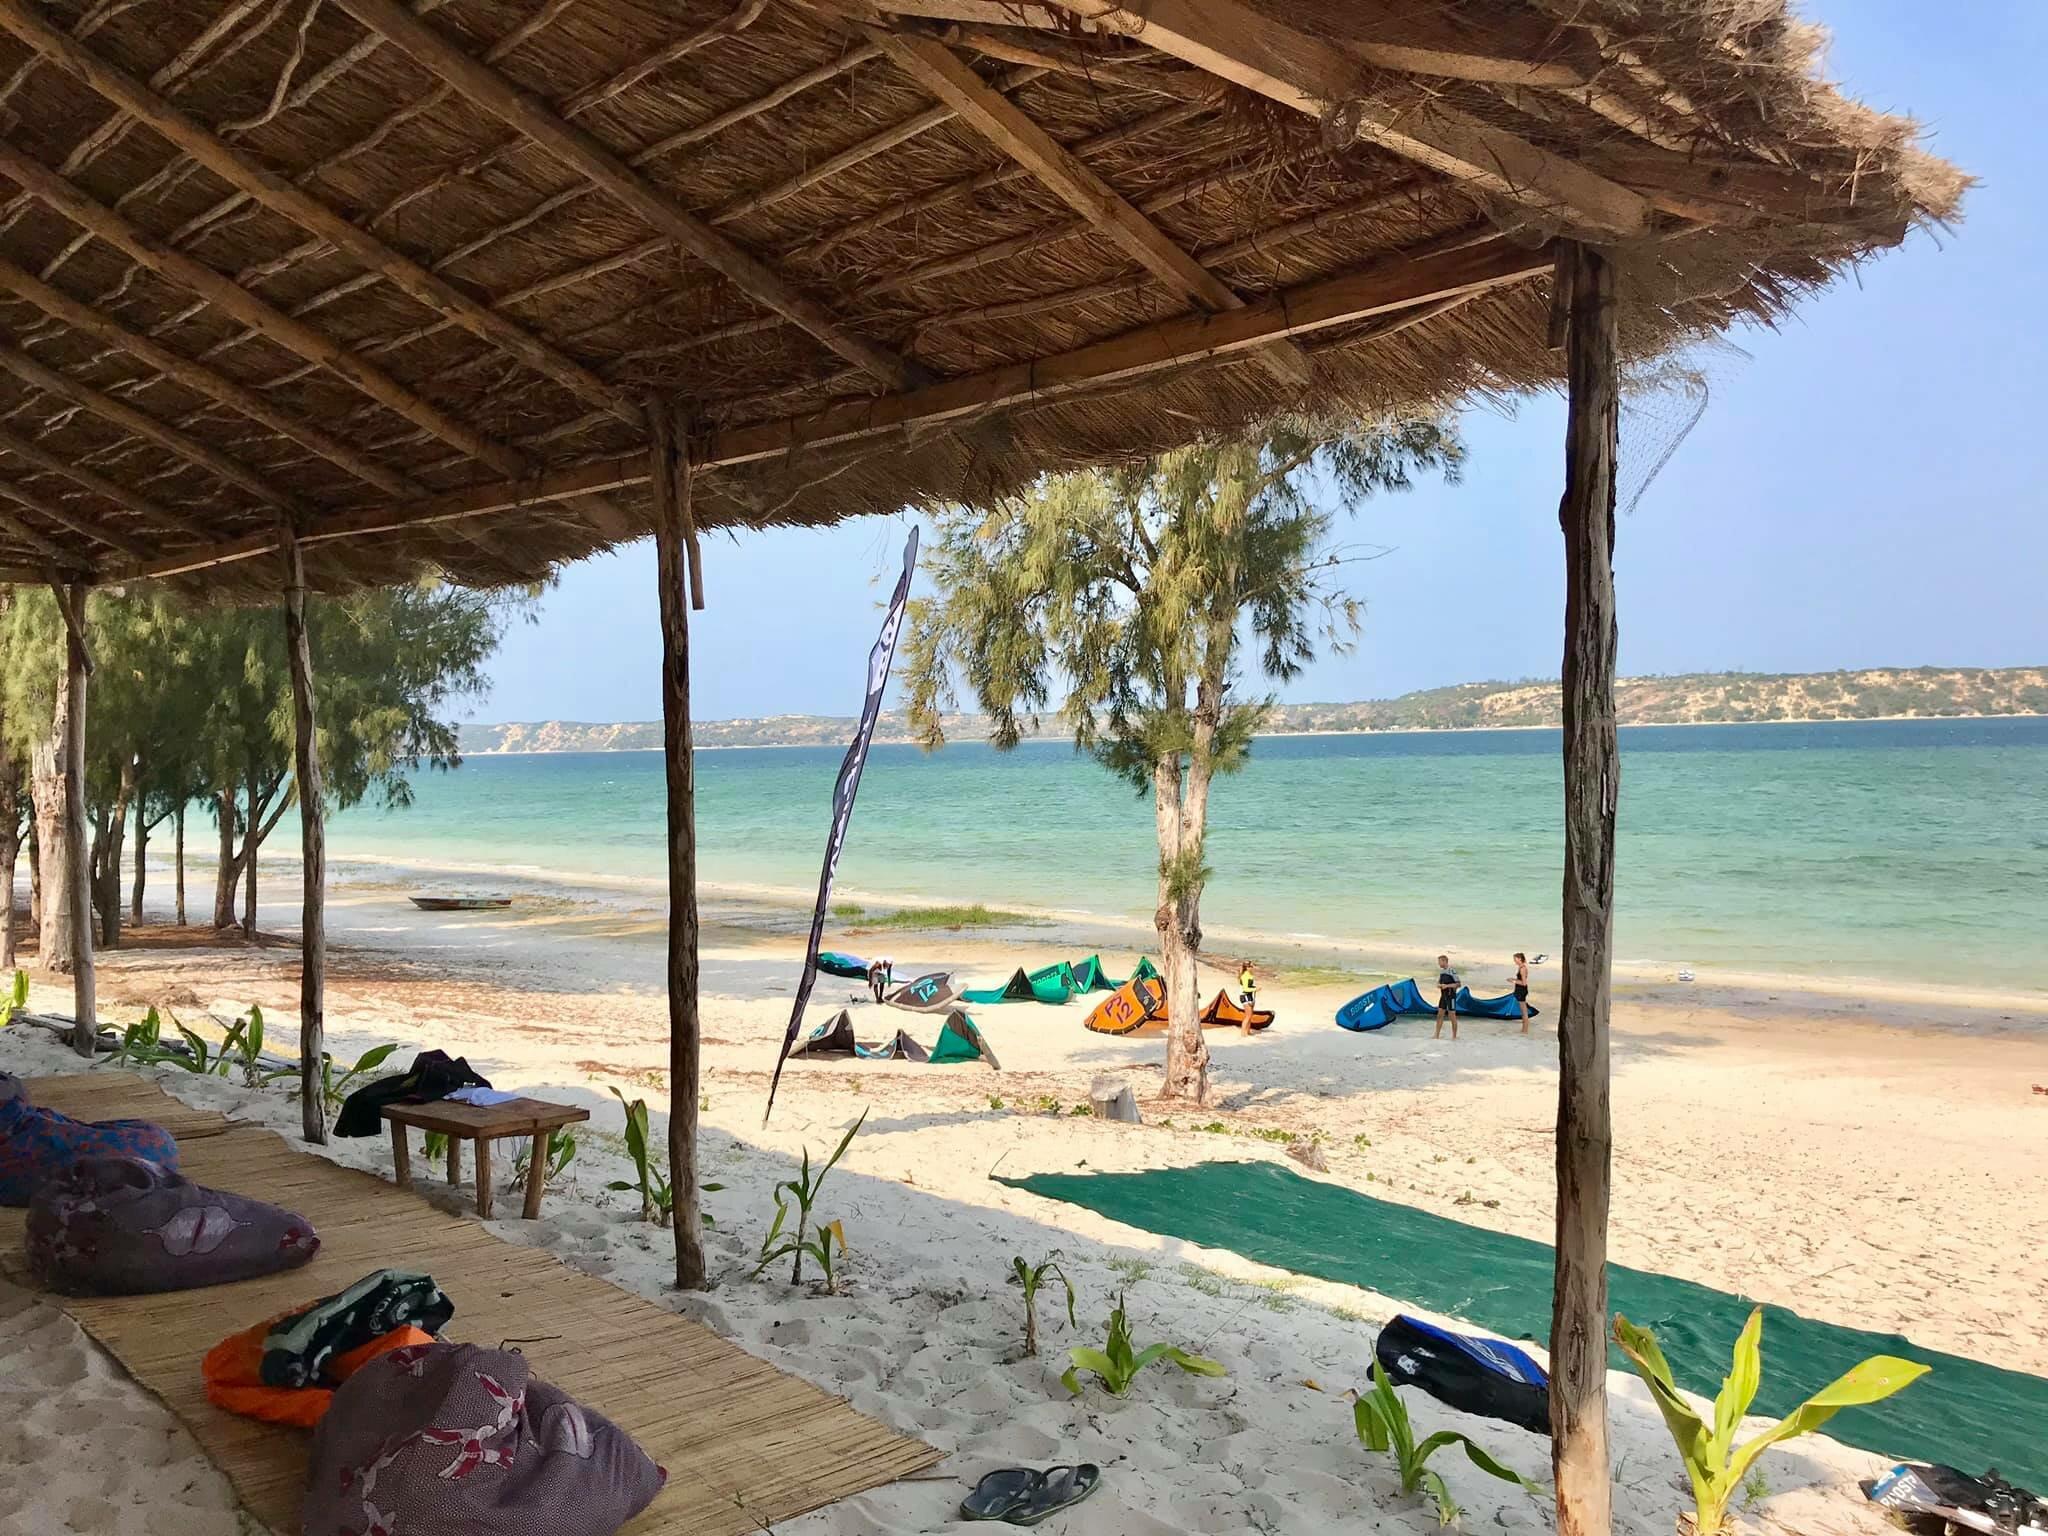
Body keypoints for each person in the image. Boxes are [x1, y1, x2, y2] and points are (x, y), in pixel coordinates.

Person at [1434, 954, 1459, 1041]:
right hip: (1443, 996)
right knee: (1439, 1015)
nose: (1439, 963)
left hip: (1451, 996)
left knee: (1452, 1016)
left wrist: (1447, 986)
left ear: (1445, 961)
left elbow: (1458, 984)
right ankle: (1436, 1035)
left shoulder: (1452, 971)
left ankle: (1454, 1036)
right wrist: (1439, 985)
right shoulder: (1441, 972)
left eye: (1440, 962)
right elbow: (1439, 982)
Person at [1236, 960, 1258, 1037]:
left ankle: (1248, 1031)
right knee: (1248, 1016)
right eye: (1251, 966)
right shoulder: (1245, 976)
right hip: (1245, 996)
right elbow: (1245, 989)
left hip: (1250, 996)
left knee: (1250, 1015)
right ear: (1247, 967)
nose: (1253, 967)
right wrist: (1255, 989)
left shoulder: (1249, 975)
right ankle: (1243, 1033)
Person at [1512, 951, 1532, 1034]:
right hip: (1520, 990)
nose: (1514, 961)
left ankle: (1525, 1030)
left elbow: (1524, 983)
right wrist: (1514, 980)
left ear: (1520, 959)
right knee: (1523, 1011)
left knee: (1524, 1011)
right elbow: (1520, 980)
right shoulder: (1521, 967)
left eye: (1515, 959)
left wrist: (1513, 981)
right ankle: (1524, 1029)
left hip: (1521, 990)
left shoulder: (1522, 968)